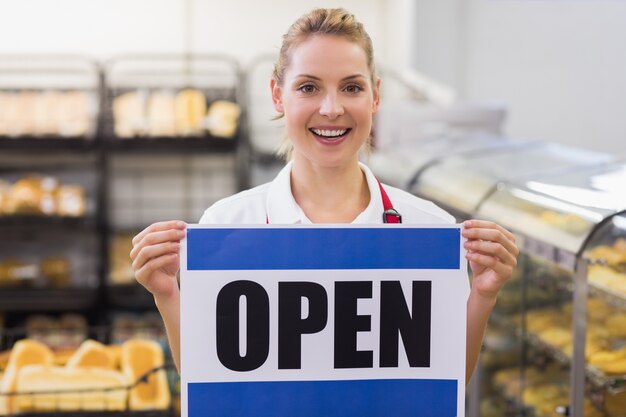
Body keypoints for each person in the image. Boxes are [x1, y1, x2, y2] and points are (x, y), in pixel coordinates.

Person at [130, 8, 519, 383]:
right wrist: (167, 296)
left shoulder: (429, 228)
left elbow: (442, 383)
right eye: (309, 87)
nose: (331, 109)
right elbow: (212, 383)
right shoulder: (227, 226)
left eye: (351, 87)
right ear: (278, 95)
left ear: (375, 96)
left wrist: (483, 296)